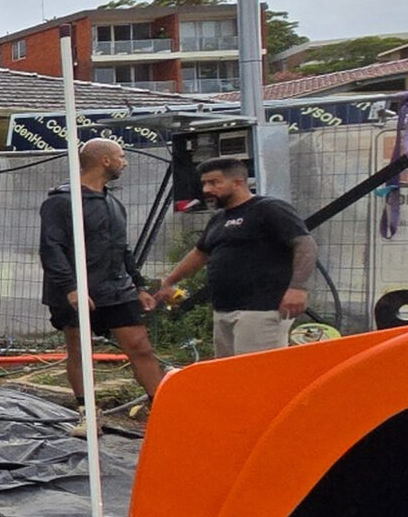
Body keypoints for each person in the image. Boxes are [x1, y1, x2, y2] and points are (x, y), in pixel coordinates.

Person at [38, 138, 168, 405]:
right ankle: (86, 410)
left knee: (140, 346)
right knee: (80, 350)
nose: (125, 162)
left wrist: (139, 286)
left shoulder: (113, 203)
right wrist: (71, 288)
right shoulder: (62, 202)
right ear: (105, 160)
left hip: (116, 288)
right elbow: (51, 249)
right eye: (121, 156)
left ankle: (161, 407)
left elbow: (122, 248)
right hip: (76, 290)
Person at [157, 157, 316, 357]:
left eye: (214, 182)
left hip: (262, 310)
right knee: (227, 371)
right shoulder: (219, 218)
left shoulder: (269, 209)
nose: (206, 189)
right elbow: (199, 253)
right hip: (223, 309)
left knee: (256, 371)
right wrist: (169, 281)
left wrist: (297, 288)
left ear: (238, 182)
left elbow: (305, 244)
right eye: (204, 183)